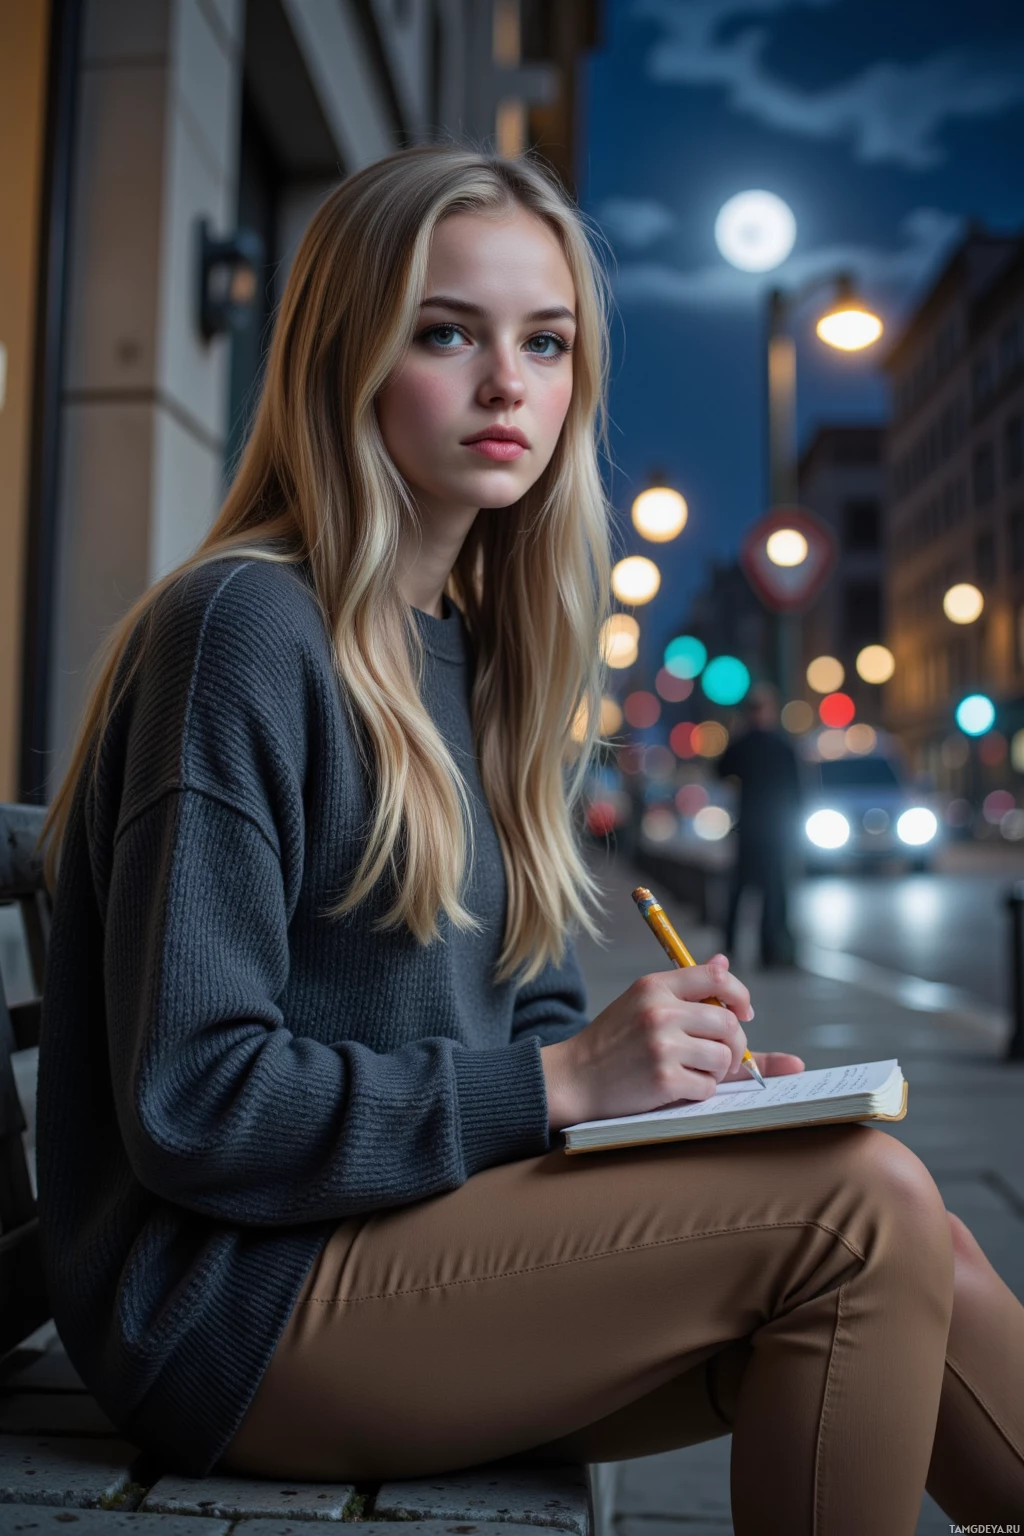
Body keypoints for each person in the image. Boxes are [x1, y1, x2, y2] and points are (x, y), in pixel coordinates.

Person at [33, 144, 1022, 1535]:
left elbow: (530, 1014)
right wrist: (560, 1081)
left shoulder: (492, 661)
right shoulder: (246, 632)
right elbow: (196, 1101)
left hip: (406, 1249)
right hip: (230, 1308)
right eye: (447, 332)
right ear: (346, 356)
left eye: (544, 342)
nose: (509, 384)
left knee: (925, 1243)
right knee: (860, 1216)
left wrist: (677, 1096)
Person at [717, 684, 801, 968]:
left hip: (754, 829)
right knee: (771, 892)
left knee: (744, 892)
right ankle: (770, 951)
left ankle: (738, 947)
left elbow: (720, 770)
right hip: (770, 831)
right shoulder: (781, 745)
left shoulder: (745, 744)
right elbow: (798, 790)